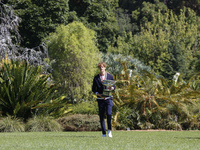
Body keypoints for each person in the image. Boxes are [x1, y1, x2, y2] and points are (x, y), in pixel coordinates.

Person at [92, 62, 115, 137]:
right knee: (101, 116)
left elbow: (114, 86)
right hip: (100, 99)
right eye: (100, 67)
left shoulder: (110, 76)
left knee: (109, 114)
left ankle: (109, 130)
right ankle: (103, 133)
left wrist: (112, 88)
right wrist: (97, 93)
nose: (101, 68)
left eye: (102, 67)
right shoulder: (96, 78)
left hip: (109, 98)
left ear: (105, 67)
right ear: (99, 68)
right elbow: (93, 89)